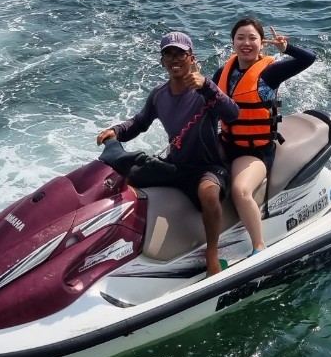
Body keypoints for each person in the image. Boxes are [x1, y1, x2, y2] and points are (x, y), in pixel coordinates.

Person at [97, 31, 240, 275]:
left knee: (208, 192)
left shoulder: (205, 90)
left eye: (180, 54)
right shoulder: (159, 94)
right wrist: (115, 131)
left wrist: (207, 87)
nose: (175, 59)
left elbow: (232, 113)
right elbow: (139, 123)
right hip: (175, 165)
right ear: (162, 60)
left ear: (191, 58)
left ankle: (212, 253)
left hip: (207, 167)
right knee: (125, 177)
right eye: (168, 54)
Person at [211, 18, 316, 256]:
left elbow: (308, 59)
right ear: (233, 42)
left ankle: (259, 246)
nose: (246, 43)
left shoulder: (270, 72)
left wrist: (286, 49)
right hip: (227, 141)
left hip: (254, 151)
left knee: (241, 191)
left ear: (262, 43)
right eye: (240, 38)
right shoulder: (223, 72)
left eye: (252, 38)